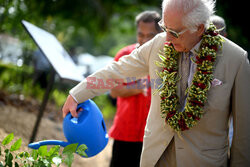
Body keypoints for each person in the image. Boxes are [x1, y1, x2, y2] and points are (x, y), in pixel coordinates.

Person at [62, 0, 250, 166]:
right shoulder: (158, 44)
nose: (167, 38)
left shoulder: (236, 59)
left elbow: (243, 134)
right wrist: (77, 94)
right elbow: (117, 70)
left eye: (175, 32)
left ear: (199, 28)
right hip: (156, 157)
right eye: (164, 27)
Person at [108, 11, 161, 167]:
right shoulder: (124, 54)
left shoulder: (168, 57)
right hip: (125, 132)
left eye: (149, 35)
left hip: (153, 136)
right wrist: (139, 87)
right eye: (140, 34)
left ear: (160, 34)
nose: (144, 40)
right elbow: (114, 91)